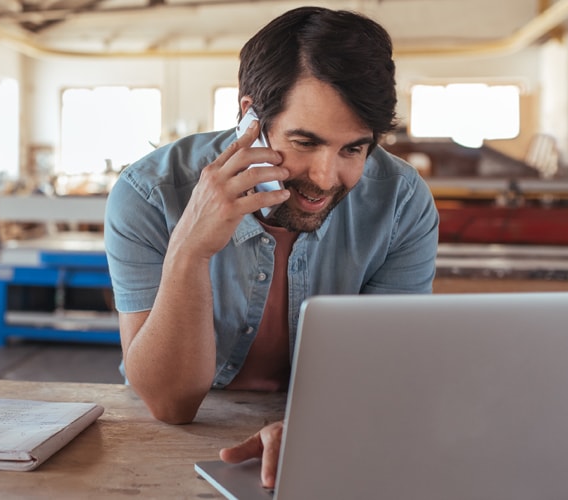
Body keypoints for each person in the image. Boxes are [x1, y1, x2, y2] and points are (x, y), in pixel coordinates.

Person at [103, 6, 439, 488]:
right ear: (249, 118)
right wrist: (190, 250)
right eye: (304, 142)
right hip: (175, 443)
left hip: (332, 435)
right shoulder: (150, 192)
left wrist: (318, 429)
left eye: (353, 149)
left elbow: (384, 378)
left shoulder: (401, 202)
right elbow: (170, 405)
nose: (325, 178)